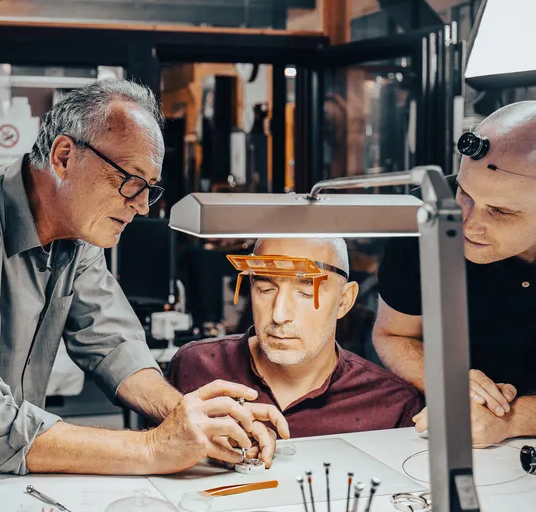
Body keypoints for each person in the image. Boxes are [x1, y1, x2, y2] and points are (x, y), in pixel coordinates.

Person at [0, 79, 288, 511]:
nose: (141, 206)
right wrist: (156, 446)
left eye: (150, 189)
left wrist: (192, 419)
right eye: (131, 181)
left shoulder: (77, 238)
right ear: (63, 156)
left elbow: (114, 346)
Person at [374, 101, 536, 445]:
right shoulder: (426, 217)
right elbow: (393, 335)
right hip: (448, 431)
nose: (469, 223)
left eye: (500, 212)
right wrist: (446, 381)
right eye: (464, 193)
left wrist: (512, 420)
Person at [169, 238, 423, 438]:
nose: (279, 315)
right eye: (266, 289)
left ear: (344, 301)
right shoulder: (195, 367)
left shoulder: (392, 405)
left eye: (304, 293)